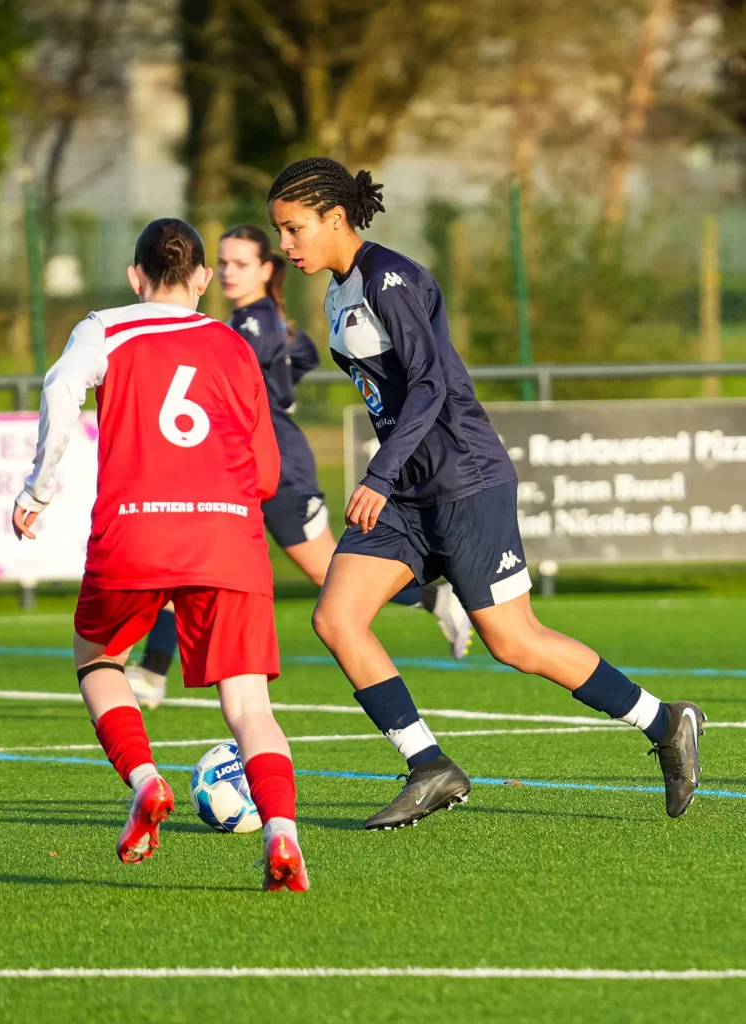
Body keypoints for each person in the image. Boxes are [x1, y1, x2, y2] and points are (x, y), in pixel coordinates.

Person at [267, 156, 706, 829]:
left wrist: (378, 474)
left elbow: (430, 384)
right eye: (279, 231)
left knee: (515, 642)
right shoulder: (337, 293)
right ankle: (429, 766)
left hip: (463, 481)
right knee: (336, 617)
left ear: (334, 217)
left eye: (293, 228)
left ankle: (663, 721)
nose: (285, 244)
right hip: (406, 493)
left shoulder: (390, 280)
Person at [12, 217, 308, 891]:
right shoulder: (234, 345)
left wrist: (38, 489)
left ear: (135, 277)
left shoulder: (105, 327)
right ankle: (283, 833)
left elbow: (60, 389)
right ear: (203, 279)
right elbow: (266, 475)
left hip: (135, 530)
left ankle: (145, 779)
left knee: (98, 659)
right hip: (228, 536)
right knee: (250, 707)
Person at [126, 224, 473, 709]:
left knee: (329, 576)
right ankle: (152, 672)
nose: (228, 272)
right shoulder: (252, 322)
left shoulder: (253, 325)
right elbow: (302, 353)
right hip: (238, 469)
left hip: (277, 470)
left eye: (241, 264)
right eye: (222, 263)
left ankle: (435, 598)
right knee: (187, 560)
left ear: (267, 270)